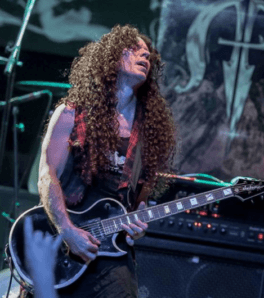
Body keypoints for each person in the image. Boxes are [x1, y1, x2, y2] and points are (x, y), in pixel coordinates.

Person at [20, 24, 177, 298]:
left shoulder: (151, 134)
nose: (144, 56)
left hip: (111, 252)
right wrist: (66, 230)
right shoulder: (71, 114)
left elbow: (139, 202)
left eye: (148, 54)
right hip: (63, 241)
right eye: (134, 49)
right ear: (111, 59)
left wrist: (137, 226)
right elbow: (47, 175)